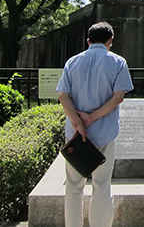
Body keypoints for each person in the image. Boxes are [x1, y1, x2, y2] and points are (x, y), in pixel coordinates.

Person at [56, 21, 133, 227]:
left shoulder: (72, 62)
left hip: (75, 135)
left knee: (73, 186)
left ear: (88, 41)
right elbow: (118, 97)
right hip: (105, 133)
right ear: (111, 41)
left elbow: (63, 96)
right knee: (101, 185)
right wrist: (92, 117)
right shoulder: (118, 62)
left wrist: (79, 123)